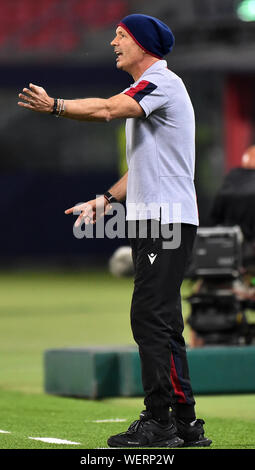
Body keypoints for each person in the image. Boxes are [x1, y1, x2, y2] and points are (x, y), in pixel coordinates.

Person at [18, 14, 211, 448]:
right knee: (164, 320)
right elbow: (145, 164)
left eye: (121, 36)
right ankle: (184, 425)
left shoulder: (160, 82)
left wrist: (56, 106)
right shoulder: (151, 91)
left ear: (143, 45)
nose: (112, 42)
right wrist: (106, 199)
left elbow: (106, 109)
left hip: (167, 220)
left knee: (149, 316)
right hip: (158, 218)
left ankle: (158, 423)